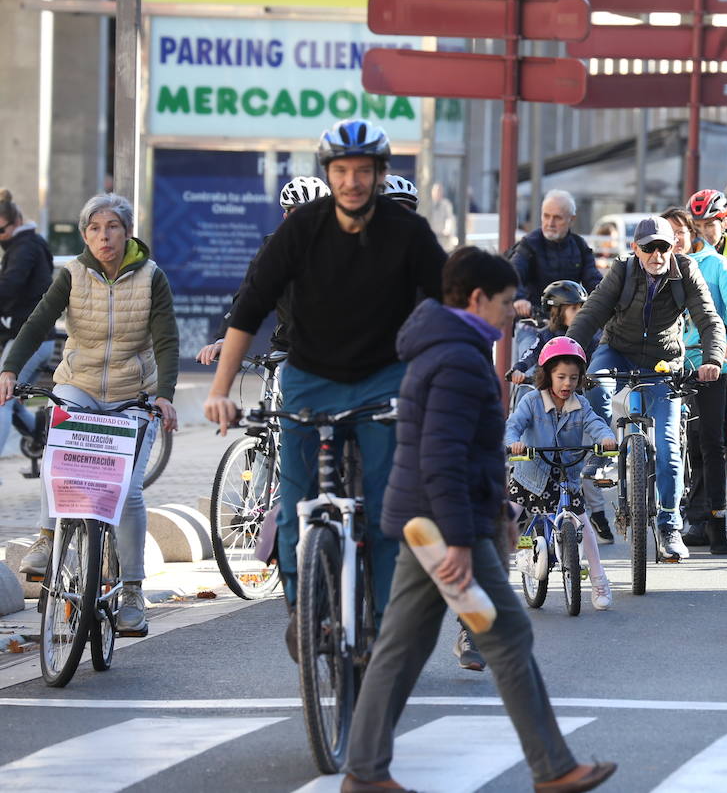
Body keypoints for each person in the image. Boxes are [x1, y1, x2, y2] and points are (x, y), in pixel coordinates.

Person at [342, 247, 615, 793]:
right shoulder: (459, 358)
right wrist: (464, 543)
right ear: (475, 299)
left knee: (402, 646)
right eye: (505, 302)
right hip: (445, 525)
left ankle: (365, 771)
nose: (512, 313)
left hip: (437, 521)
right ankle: (552, 767)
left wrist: (498, 512)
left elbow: (469, 451)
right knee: (506, 633)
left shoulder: (448, 347)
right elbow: (443, 458)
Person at [202, 119, 446, 655]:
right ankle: (302, 609)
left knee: (386, 512)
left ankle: (383, 626)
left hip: (384, 380)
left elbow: (448, 305)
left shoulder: (407, 234)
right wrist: (220, 389)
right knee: (293, 508)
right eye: (342, 170)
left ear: (380, 175)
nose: (353, 181)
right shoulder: (301, 229)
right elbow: (250, 307)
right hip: (309, 379)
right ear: (328, 174)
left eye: (364, 170)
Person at [4, 194, 179, 635]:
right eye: (96, 228)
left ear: (127, 232)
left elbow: (166, 341)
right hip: (77, 385)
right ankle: (47, 539)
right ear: (85, 235)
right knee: (57, 460)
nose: (105, 236)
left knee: (130, 493)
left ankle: (133, 592)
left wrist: (165, 395)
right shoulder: (74, 273)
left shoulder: (151, 277)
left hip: (132, 393)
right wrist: (8, 369)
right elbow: (38, 322)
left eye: (113, 227)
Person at [566, 217, 725, 561]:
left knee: (668, 445)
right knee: (596, 382)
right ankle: (604, 450)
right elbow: (591, 314)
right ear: (635, 249)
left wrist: (712, 359)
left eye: (663, 247)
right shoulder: (621, 271)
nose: (657, 254)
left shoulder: (686, 272)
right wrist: (567, 352)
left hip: (664, 362)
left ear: (673, 248)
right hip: (618, 350)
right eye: (648, 247)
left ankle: (669, 524)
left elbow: (709, 319)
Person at [507, 337, 618, 611]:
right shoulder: (532, 401)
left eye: (573, 377)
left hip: (566, 479)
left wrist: (607, 439)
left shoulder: (581, 405)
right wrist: (514, 443)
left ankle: (598, 579)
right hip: (530, 476)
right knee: (506, 518)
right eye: (560, 377)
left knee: (584, 525)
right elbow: (514, 425)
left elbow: (597, 425)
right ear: (547, 376)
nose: (567, 383)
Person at [663, 208, 727, 555]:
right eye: (668, 235)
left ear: (691, 233)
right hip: (669, 364)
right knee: (669, 444)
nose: (675, 240)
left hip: (708, 364)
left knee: (709, 443)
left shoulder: (715, 266)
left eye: (680, 232)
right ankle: (669, 520)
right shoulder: (654, 268)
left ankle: (716, 522)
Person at [197, 176, 332, 365]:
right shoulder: (274, 247)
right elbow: (249, 294)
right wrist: (224, 338)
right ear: (286, 216)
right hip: (288, 346)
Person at [510, 191, 603, 363]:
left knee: (595, 367)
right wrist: (519, 299)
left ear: (571, 219)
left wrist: (605, 302)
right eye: (546, 216)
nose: (550, 223)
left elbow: (594, 280)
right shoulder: (529, 243)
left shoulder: (579, 246)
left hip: (572, 324)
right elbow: (514, 273)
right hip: (534, 324)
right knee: (528, 372)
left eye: (557, 218)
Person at [0, 198, 54, 463]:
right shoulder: (24, 246)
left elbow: (9, 287)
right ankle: (39, 433)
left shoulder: (25, 248)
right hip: (25, 336)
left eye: (1, 231)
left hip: (31, 338)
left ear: (16, 221)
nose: (0, 237)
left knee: (1, 397)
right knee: (9, 395)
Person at [427, 181, 458, 250]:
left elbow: (449, 218)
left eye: (439, 191)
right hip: (432, 235)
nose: (438, 193)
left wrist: (447, 229)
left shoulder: (446, 204)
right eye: (436, 191)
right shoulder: (428, 205)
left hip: (443, 237)